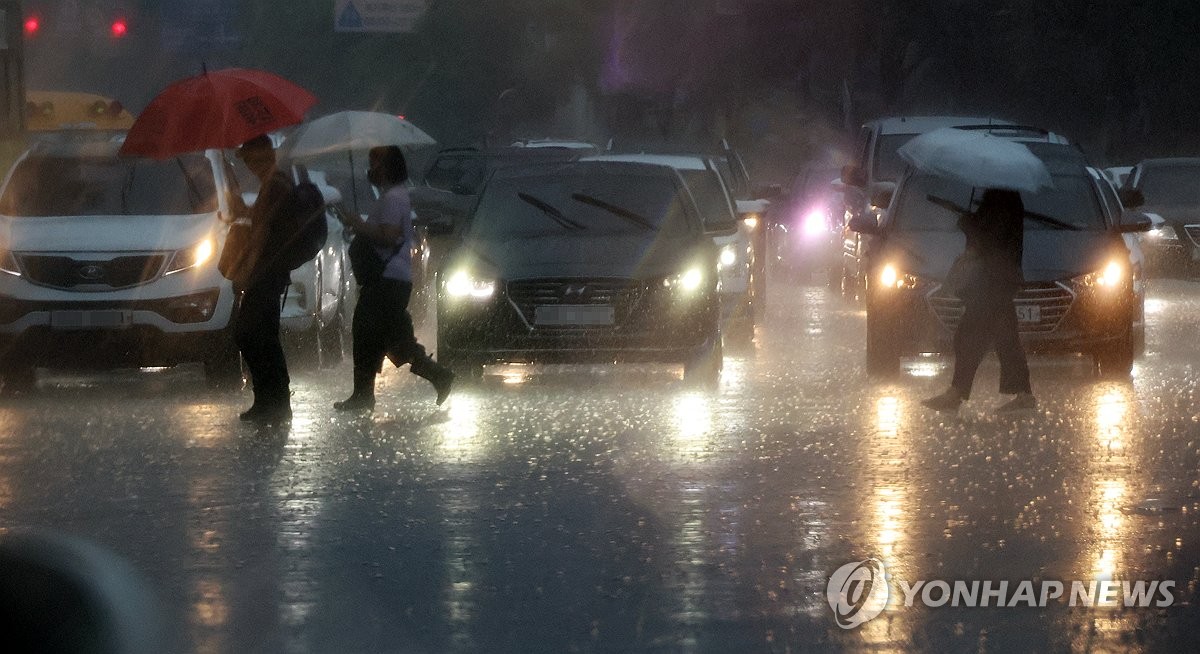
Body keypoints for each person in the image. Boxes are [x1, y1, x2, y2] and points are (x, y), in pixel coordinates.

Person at [334, 145, 453, 411]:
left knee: (369, 331)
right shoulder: (393, 196)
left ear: (386, 167)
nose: (369, 169)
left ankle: (365, 395)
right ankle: (436, 377)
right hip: (390, 281)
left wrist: (359, 224)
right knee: (388, 336)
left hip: (385, 280)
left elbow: (388, 237)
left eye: (373, 163)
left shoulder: (392, 199)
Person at [922, 188, 1036, 413]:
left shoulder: (1003, 198)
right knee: (1004, 338)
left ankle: (956, 393)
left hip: (994, 280)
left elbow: (991, 237)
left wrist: (969, 224)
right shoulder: (1001, 196)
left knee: (969, 335)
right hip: (997, 278)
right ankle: (1023, 395)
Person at [229, 134, 295, 423]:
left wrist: (247, 272)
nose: (248, 166)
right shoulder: (275, 184)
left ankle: (274, 399)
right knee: (262, 335)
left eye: (249, 159)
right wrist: (243, 210)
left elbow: (264, 233)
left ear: (261, 157)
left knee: (251, 334)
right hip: (272, 271)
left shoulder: (275, 185)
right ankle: (271, 399)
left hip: (267, 272)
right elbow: (264, 221)